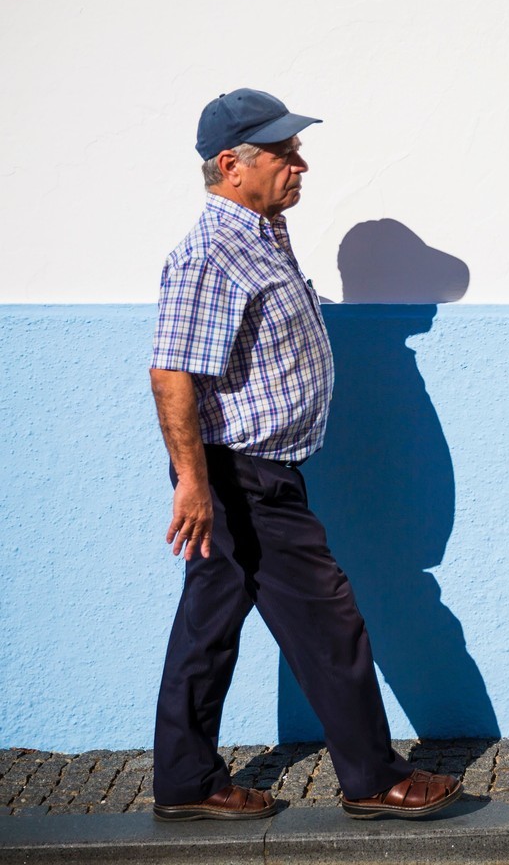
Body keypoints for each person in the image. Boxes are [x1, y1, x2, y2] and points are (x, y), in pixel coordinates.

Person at [149, 87, 462, 821]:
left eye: (296, 149)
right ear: (232, 165)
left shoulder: (262, 235)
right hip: (241, 477)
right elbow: (171, 373)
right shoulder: (211, 255)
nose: (301, 164)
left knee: (206, 630)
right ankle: (373, 780)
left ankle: (185, 781)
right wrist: (194, 483)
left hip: (253, 472)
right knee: (329, 623)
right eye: (283, 153)